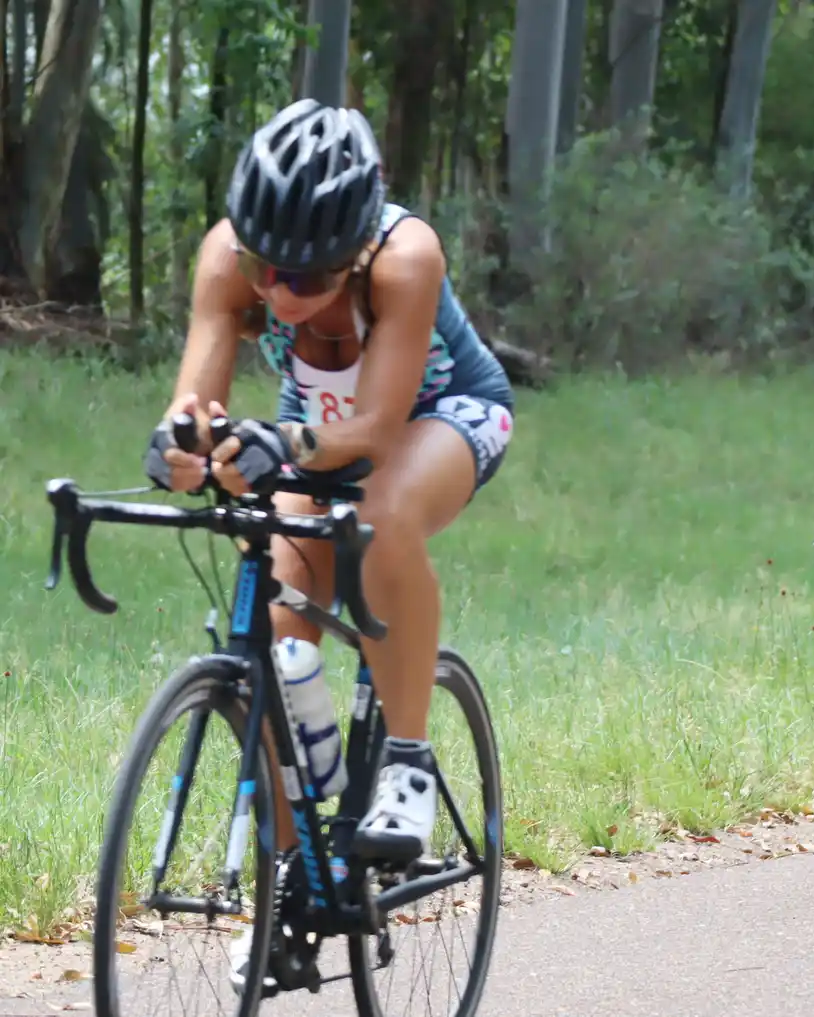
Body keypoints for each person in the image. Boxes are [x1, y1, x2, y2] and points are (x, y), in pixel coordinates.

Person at [140, 99, 514, 980]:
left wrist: (282, 444)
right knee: (277, 636)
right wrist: (181, 447)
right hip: (313, 434)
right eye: (263, 267)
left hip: (439, 415)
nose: (276, 291)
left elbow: (380, 427)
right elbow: (195, 399)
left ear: (351, 251)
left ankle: (410, 760)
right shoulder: (231, 259)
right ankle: (295, 875)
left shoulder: (404, 257)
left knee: (381, 516)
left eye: (302, 276)